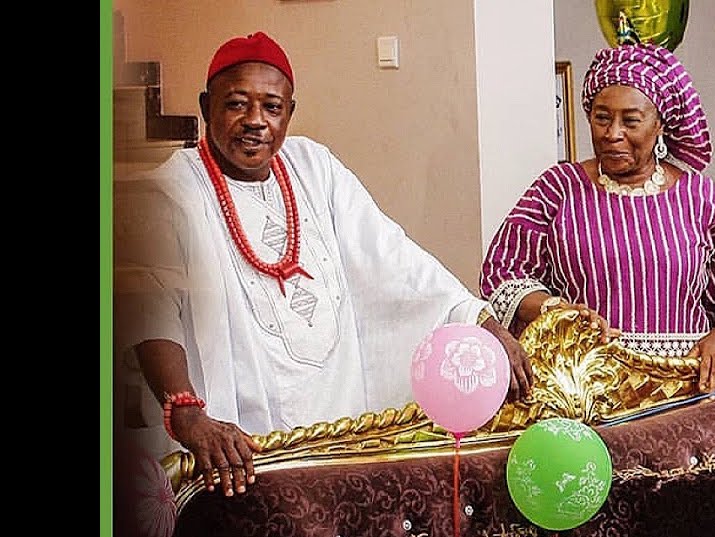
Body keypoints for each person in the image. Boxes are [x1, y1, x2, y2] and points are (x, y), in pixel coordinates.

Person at [114, 32, 533, 498]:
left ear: (290, 112)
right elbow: (153, 307)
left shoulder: (314, 167)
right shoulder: (167, 189)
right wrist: (188, 413)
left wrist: (479, 320)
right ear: (205, 105)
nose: (255, 121)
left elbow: (391, 255)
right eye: (236, 104)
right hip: (237, 445)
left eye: (272, 107)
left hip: (336, 428)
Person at [479, 41, 715, 394]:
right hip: (585, 388)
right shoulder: (558, 188)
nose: (613, 133)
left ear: (660, 124)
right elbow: (503, 274)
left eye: (631, 121)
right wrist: (555, 309)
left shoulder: (699, 195)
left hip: (684, 386)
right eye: (602, 118)